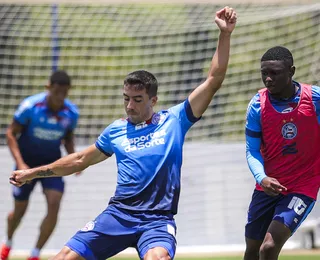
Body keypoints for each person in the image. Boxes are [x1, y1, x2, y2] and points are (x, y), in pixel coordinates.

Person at [9, 6, 236, 260]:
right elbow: (79, 160)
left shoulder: (175, 120)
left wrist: (224, 35)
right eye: (126, 98)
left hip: (156, 221)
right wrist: (33, 172)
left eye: (137, 99)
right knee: (63, 258)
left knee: (157, 258)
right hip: (118, 215)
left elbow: (214, 79)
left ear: (154, 100)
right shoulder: (115, 131)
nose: (130, 106)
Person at [244, 46, 320, 260]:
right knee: (252, 252)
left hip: (302, 187)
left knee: (268, 248)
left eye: (274, 73)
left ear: (291, 71)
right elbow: (251, 149)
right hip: (267, 186)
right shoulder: (257, 105)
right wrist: (263, 178)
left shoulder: (315, 99)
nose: (268, 79)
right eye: (264, 73)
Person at [1, 70, 80, 260]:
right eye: (57, 92)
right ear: (48, 88)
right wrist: (21, 164)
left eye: (65, 93)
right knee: (19, 211)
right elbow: (11, 133)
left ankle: (35, 254)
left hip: (52, 165)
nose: (60, 97)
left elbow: (67, 138)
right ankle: (8, 242)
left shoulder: (71, 113)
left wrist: (75, 159)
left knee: (54, 204)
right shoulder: (30, 106)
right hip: (26, 164)